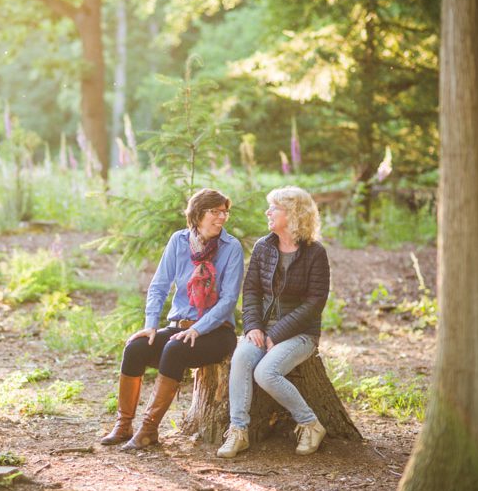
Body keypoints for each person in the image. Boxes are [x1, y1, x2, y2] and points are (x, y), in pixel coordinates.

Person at [101, 188, 244, 450]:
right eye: (215, 212)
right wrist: (151, 325)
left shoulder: (231, 247)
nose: (222, 218)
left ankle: (149, 430)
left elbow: (228, 301)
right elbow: (159, 285)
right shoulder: (178, 241)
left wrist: (199, 329)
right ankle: (123, 425)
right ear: (198, 214)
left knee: (175, 349)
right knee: (135, 348)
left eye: (225, 212)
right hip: (178, 326)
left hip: (216, 331)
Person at [217, 186, 331, 459]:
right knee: (242, 358)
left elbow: (315, 302)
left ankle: (310, 424)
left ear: (292, 214)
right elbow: (252, 291)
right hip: (263, 328)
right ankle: (238, 431)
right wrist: (254, 326)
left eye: (274, 208)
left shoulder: (315, 253)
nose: (267, 212)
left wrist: (277, 333)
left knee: (265, 372)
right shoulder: (263, 247)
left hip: (301, 334)